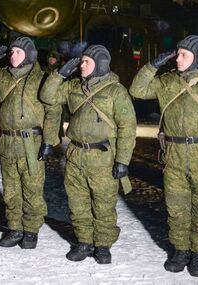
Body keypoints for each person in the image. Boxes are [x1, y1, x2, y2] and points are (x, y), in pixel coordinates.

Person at [129, 35, 198, 277]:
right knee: (176, 207)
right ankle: (180, 250)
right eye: (177, 54)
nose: (177, 59)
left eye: (183, 55)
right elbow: (137, 90)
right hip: (174, 155)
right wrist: (152, 66)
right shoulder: (167, 81)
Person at [40, 44, 136, 264]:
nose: (81, 65)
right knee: (77, 202)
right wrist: (59, 74)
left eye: (87, 62)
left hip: (102, 156)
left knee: (103, 204)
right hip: (75, 154)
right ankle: (84, 242)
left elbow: (128, 128)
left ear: (100, 65)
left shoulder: (115, 91)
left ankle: (103, 245)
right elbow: (47, 96)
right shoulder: (74, 86)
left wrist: (122, 160)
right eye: (81, 61)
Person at [0, 37, 62, 248]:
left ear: (29, 55)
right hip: (7, 143)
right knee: (11, 189)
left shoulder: (41, 79)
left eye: (18, 52)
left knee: (32, 189)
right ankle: (15, 228)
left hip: (31, 144)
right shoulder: (2, 76)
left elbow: (53, 110)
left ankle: (31, 231)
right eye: (11, 52)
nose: (13, 56)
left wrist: (49, 140)